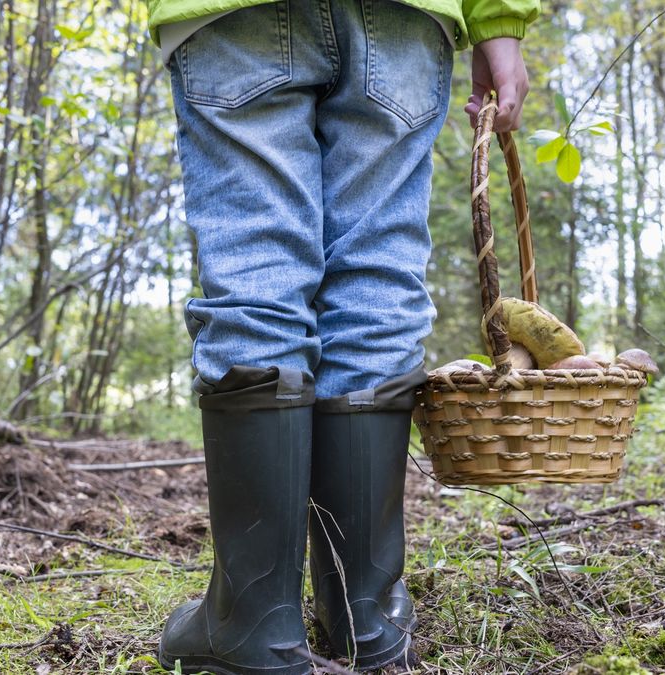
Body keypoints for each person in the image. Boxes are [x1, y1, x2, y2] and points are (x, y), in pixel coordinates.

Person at [148, 0, 536, 668]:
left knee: (257, 266)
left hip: (234, 16)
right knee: (376, 276)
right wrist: (498, 20)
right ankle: (368, 616)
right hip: (405, 18)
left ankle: (253, 622)